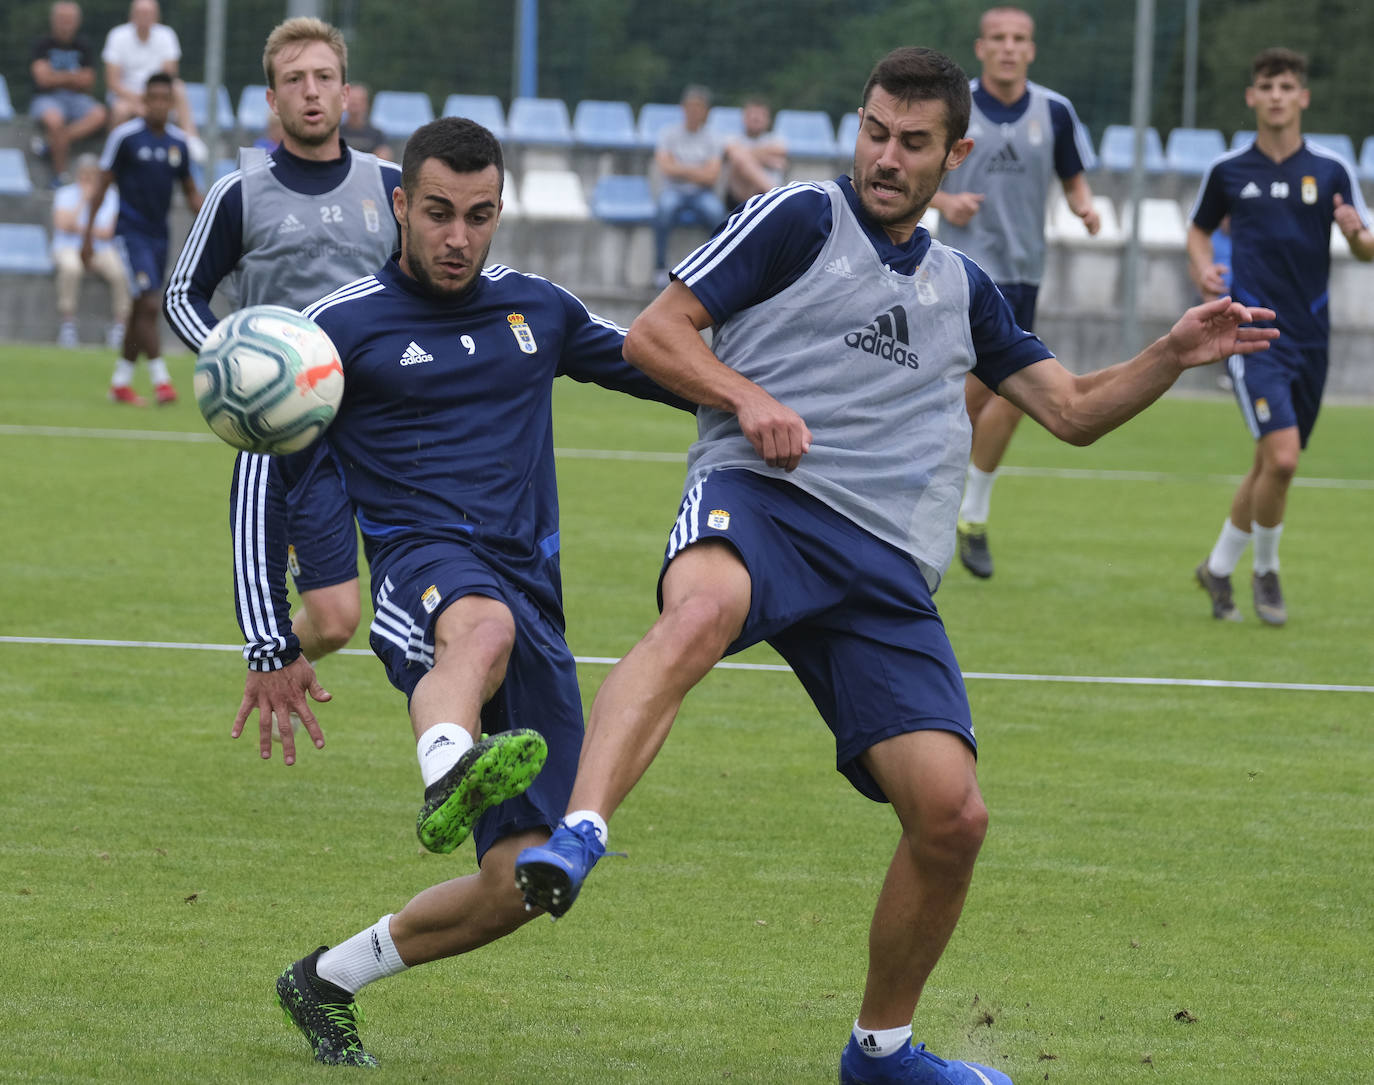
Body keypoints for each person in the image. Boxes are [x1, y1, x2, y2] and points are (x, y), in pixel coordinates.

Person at [513, 46, 1275, 1085]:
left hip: (879, 565)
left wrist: (1168, 351)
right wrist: (748, 398)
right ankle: (582, 830)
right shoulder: (796, 218)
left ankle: (880, 1052)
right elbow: (655, 334)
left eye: (913, 142)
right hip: (762, 497)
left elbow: (1075, 411)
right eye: (875, 131)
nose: (886, 154)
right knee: (696, 617)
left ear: (952, 155)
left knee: (953, 815)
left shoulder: (965, 290)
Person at [232, 115, 691, 1066]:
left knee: (520, 882)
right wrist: (269, 638)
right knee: (476, 631)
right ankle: (448, 762)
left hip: (537, 596)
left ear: (499, 213)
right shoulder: (340, 326)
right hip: (422, 567)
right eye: (437, 212)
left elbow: (660, 368)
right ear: (400, 205)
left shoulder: (539, 311)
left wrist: (765, 394)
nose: (458, 237)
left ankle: (326, 978)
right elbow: (257, 473)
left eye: (479, 216)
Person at [165, 16, 401, 665]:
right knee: (331, 621)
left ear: (346, 92)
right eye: (294, 80)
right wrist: (233, 364)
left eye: (324, 77)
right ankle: (277, 665)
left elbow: (432, 294)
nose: (311, 91)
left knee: (438, 604)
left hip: (387, 423)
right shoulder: (238, 192)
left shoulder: (391, 186)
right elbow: (182, 293)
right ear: (272, 100)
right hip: (290, 431)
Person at [1188, 47, 1373, 625]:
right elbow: (1197, 230)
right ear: (1252, 97)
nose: (1275, 96)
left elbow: (1367, 249)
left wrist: (1355, 234)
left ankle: (1217, 570)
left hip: (1313, 339)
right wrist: (1203, 268)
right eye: (1266, 86)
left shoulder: (1331, 170)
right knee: (1284, 460)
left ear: (1302, 97)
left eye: (1286, 86)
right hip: (1252, 335)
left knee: (1271, 462)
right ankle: (1266, 571)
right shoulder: (1227, 171)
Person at [929, 5, 1100, 579]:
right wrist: (944, 201)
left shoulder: (1055, 110)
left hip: (1025, 273)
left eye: (1019, 39)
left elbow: (1073, 173)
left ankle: (968, 511)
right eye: (998, 38)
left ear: (1031, 49)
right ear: (981, 47)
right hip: (962, 271)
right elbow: (911, 168)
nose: (1008, 47)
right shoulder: (956, 105)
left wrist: (1083, 205)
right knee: (987, 393)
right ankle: (943, 498)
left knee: (1003, 398)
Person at [84, 72, 201, 406]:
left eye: (167, 99)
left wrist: (217, 223)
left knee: (140, 308)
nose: (161, 105)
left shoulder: (178, 143)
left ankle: (120, 383)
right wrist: (88, 237)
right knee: (150, 302)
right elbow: (103, 184)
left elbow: (191, 192)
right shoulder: (126, 138)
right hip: (130, 232)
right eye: (155, 98)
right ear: (145, 101)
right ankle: (162, 381)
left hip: (159, 236)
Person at [101, 0, 204, 160]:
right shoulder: (117, 36)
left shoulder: (166, 35)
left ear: (156, 16)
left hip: (157, 94)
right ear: (132, 16)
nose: (144, 17)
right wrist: (142, 101)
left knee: (178, 88)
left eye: (148, 13)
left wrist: (152, 100)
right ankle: (114, 156)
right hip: (127, 97)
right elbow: (113, 82)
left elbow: (169, 75)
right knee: (120, 110)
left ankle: (191, 139)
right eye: (140, 13)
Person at [651, 84, 727, 288]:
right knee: (663, 212)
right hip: (673, 191)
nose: (694, 112)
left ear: (706, 111)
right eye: (690, 107)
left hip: (702, 193)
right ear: (683, 108)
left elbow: (712, 176)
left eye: (698, 107)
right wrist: (697, 171)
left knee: (718, 216)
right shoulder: (668, 133)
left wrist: (680, 168)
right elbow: (666, 168)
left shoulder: (714, 137)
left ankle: (717, 267)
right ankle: (659, 267)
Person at [52, 153, 129, 348]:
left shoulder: (111, 196)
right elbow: (62, 224)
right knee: (71, 268)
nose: (87, 179)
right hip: (68, 247)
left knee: (121, 272)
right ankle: (67, 324)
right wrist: (83, 202)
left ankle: (119, 326)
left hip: (101, 249)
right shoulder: (65, 194)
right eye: (84, 174)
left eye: (92, 175)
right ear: (78, 174)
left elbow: (108, 232)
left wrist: (78, 226)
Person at [28, 1, 108, 185]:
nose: (65, 24)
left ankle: (50, 144)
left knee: (100, 114)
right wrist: (73, 77)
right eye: (62, 19)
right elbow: (42, 79)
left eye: (69, 20)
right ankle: (59, 176)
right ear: (53, 21)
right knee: (55, 120)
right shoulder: (42, 44)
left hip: (76, 99)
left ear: (77, 22)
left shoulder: (84, 45)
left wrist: (55, 76)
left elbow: (88, 81)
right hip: (45, 98)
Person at [722, 95, 787, 213]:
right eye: (751, 114)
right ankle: (777, 197)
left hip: (763, 196)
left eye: (760, 115)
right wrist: (767, 159)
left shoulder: (776, 140)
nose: (756, 118)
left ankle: (772, 195)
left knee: (741, 158)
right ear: (744, 118)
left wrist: (746, 155)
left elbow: (781, 152)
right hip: (738, 197)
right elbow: (732, 153)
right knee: (739, 159)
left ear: (768, 119)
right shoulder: (732, 139)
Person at [340, 82, 394, 160]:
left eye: (359, 100)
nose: (355, 103)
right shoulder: (336, 133)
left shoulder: (377, 135)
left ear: (366, 104)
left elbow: (384, 159)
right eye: (352, 100)